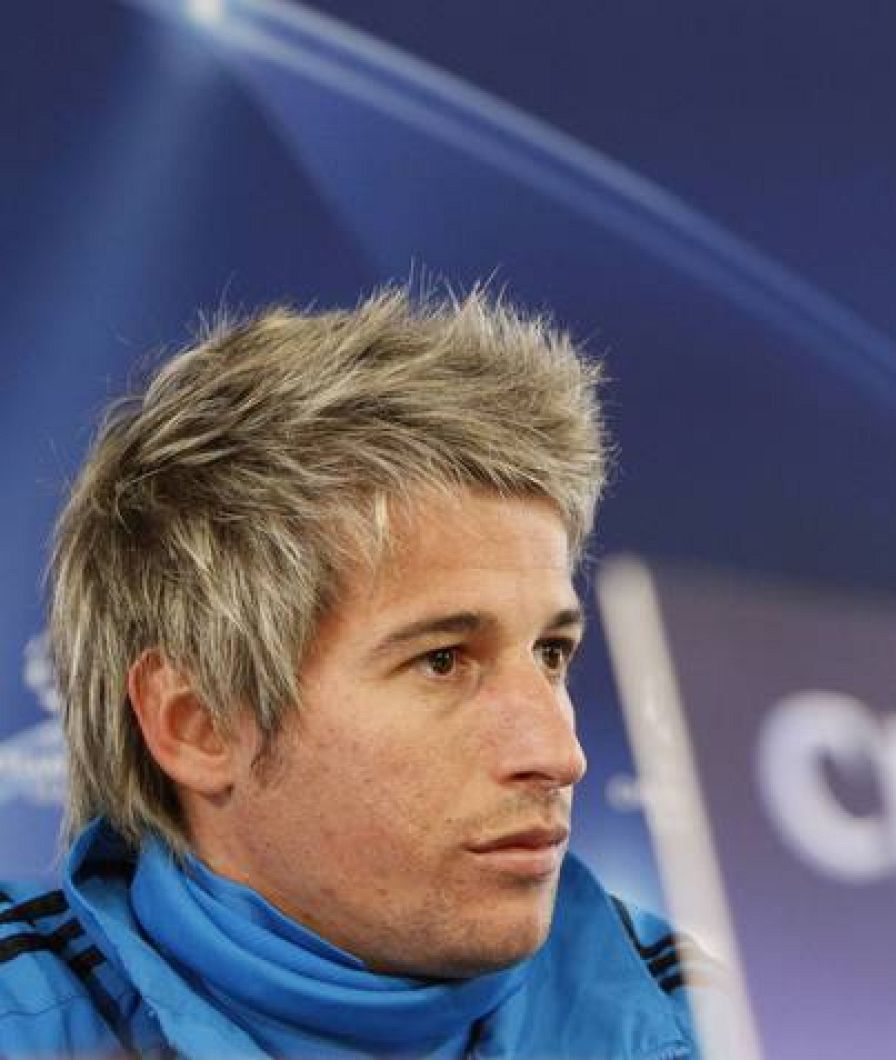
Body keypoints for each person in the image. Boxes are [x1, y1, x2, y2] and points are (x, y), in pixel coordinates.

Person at [0, 289, 706, 1057]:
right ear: (196, 723)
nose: (559, 754)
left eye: (551, 653)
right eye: (442, 661)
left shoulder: (723, 1019)